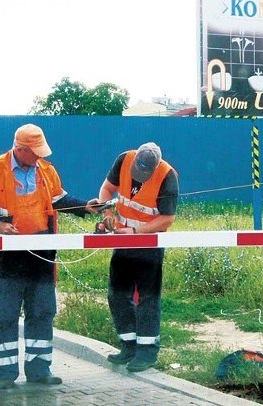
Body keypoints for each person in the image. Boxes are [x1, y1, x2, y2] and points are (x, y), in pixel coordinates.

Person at [0, 123, 93, 389]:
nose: (40, 157)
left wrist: (85, 206)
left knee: (42, 312)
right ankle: (3, 375)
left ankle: (40, 371)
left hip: (42, 255)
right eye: (35, 152)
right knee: (6, 314)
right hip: (10, 257)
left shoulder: (46, 171)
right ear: (20, 149)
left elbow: (60, 199)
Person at [92, 141, 179, 372]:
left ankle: (147, 352)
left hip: (149, 243)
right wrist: (107, 210)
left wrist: (135, 231)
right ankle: (129, 346)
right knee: (117, 295)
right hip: (123, 240)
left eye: (144, 173)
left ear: (155, 166)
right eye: (137, 171)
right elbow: (106, 189)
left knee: (148, 298)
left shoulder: (167, 176)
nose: (139, 175)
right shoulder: (124, 159)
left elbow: (167, 218)